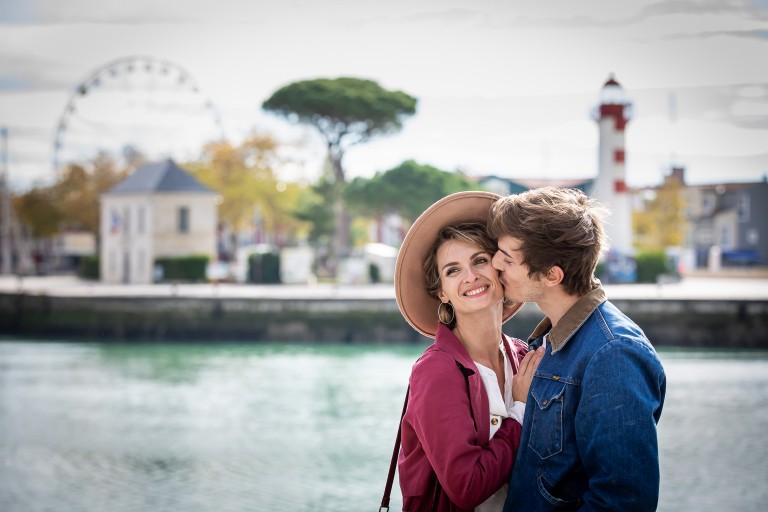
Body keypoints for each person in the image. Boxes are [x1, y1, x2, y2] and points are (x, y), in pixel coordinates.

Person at [487, 186, 667, 511]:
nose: (495, 263)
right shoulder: (549, 341)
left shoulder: (615, 354)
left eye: (508, 258)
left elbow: (623, 501)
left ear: (552, 275)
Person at [394, 191, 544, 511]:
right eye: (453, 270)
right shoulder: (436, 370)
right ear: (442, 293)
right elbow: (466, 487)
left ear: (500, 270)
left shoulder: (522, 357)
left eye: (479, 260)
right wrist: (518, 409)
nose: (470, 276)